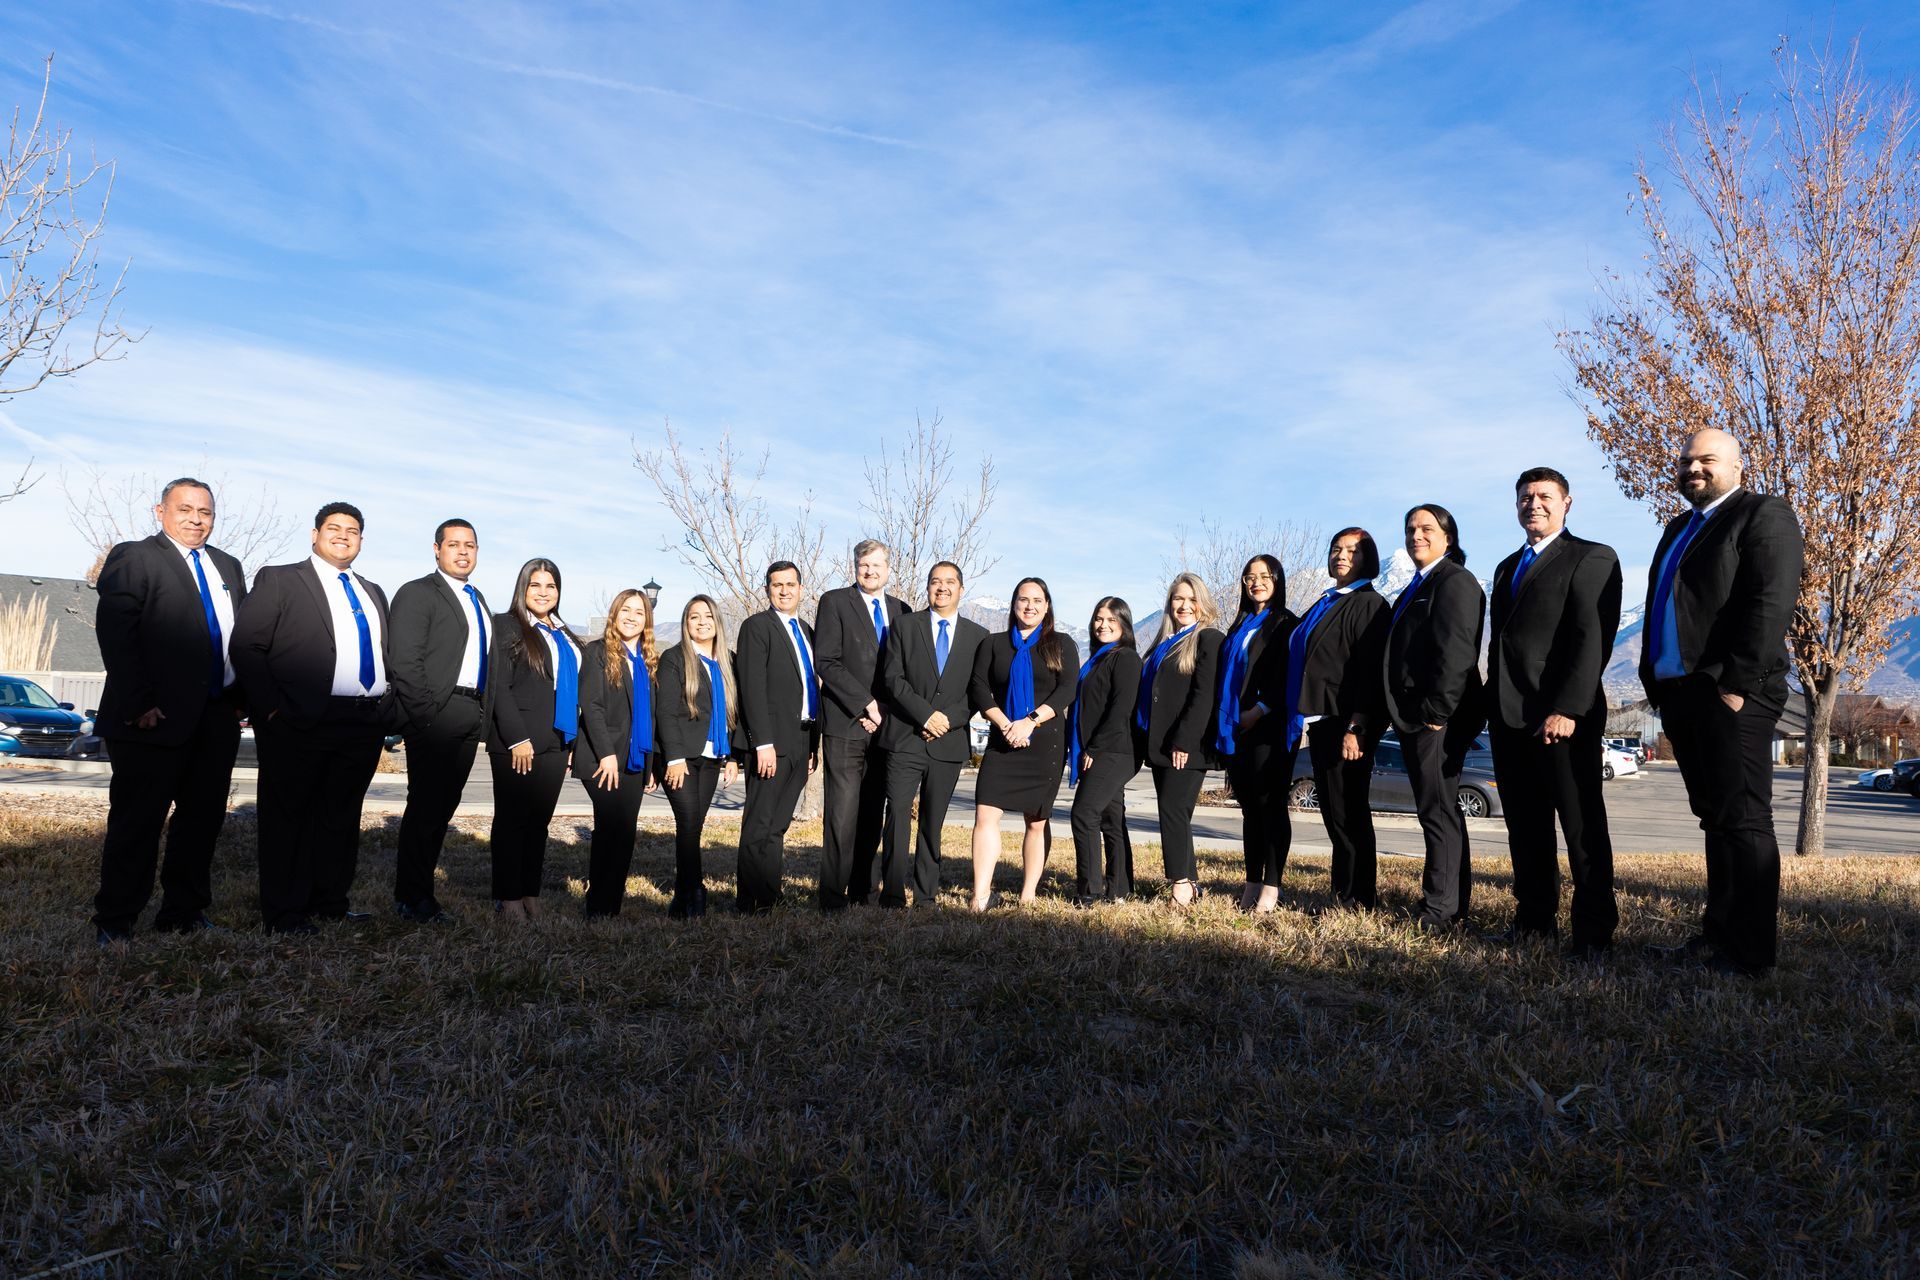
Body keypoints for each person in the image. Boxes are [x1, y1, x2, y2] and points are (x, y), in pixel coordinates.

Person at [1639, 428, 1804, 976]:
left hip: (1732, 694)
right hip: (1681, 695)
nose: (1694, 469)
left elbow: (1770, 603)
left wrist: (1736, 685)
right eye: (1686, 461)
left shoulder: (1764, 515)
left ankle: (1751, 954)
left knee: (1746, 820)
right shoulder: (1679, 527)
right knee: (1716, 819)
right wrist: (1657, 686)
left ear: (1737, 467)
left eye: (1708, 460)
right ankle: (1719, 936)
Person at [91, 477, 249, 943]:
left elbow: (236, 638)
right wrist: (138, 701)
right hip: (150, 718)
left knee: (201, 823)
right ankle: (116, 921)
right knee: (136, 824)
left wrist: (240, 699)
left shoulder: (229, 566)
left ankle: (184, 912)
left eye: (205, 512)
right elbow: (117, 634)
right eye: (184, 509)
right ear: (160, 511)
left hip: (216, 718)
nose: (195, 519)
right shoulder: (134, 556)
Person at [230, 502, 393, 934]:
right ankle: (285, 913)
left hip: (362, 721)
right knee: (289, 818)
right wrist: (271, 708)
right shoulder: (281, 579)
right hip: (298, 719)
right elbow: (248, 646)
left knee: (341, 816)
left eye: (353, 530)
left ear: (361, 539)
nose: (343, 535)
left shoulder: (373, 591)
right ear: (314, 533)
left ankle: (330, 903)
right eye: (334, 528)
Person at [1488, 468, 1623, 957]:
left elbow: (1592, 637)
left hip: (1564, 719)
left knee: (1581, 827)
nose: (1534, 503)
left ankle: (1593, 933)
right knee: (1525, 828)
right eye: (1525, 496)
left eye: (1545, 496)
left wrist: (1567, 707)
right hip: (1509, 719)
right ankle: (1533, 923)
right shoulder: (1506, 567)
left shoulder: (1592, 556)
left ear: (1568, 503)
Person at [1271, 528, 1390, 908]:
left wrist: (1358, 727)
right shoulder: (1326, 600)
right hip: (1320, 721)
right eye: (1336, 549)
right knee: (1334, 814)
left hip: (1346, 723)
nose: (1342, 556)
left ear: (1366, 558)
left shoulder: (1369, 604)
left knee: (1349, 813)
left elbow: (1371, 673)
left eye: (1352, 551)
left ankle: (1358, 899)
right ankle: (1342, 894)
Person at [1383, 504, 1486, 933]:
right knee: (1438, 810)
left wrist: (1436, 712)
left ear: (1449, 536)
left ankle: (1440, 911)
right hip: (1418, 717)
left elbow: (1457, 652)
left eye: (1427, 528)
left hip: (1438, 719)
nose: (1416, 535)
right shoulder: (1419, 583)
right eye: (1410, 528)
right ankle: (1451, 904)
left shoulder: (1454, 582)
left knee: (1438, 811)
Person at [387, 518, 492, 924]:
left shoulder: (478, 597)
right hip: (435, 713)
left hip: (469, 713)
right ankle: (412, 898)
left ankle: (419, 891)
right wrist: (426, 713)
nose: (463, 551)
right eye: (454, 544)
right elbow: (405, 661)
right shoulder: (418, 593)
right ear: (436, 549)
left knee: (442, 808)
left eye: (470, 545)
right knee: (426, 808)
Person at [877, 561, 988, 908]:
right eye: (935, 582)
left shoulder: (978, 636)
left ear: (961, 588)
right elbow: (892, 679)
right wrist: (925, 716)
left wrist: (947, 720)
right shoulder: (904, 626)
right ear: (927, 588)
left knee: (933, 820)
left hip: (949, 742)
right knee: (896, 815)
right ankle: (893, 894)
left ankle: (926, 895)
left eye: (949, 582)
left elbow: (977, 691)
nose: (942, 587)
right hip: (905, 737)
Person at [968, 577, 1079, 910]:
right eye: (1023, 599)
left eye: (1037, 600)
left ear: (1047, 607)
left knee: (1036, 820)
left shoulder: (1061, 643)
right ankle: (980, 896)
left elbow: (1067, 688)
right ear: (1013, 604)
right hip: (1002, 739)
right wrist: (1004, 723)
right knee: (985, 813)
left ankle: (1028, 895)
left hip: (1044, 742)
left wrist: (1028, 721)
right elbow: (979, 687)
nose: (1029, 606)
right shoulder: (993, 643)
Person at [812, 539, 909, 910]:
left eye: (877, 565)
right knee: (842, 813)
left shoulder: (902, 610)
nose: (870, 571)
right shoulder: (835, 602)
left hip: (888, 726)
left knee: (872, 810)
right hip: (847, 722)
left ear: (888, 568)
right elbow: (827, 661)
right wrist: (866, 705)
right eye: (863, 565)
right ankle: (833, 897)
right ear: (855, 567)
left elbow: (903, 670)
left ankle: (862, 890)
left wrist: (885, 711)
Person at [485, 558, 579, 922]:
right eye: (536, 585)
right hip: (519, 741)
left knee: (539, 822)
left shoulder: (562, 631)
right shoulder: (507, 625)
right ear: (523, 588)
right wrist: (516, 738)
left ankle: (530, 892)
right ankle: (507, 898)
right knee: (512, 821)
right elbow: (500, 686)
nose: (544, 592)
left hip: (556, 741)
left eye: (551, 586)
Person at [735, 561, 821, 914]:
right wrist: (762, 742)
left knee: (779, 824)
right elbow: (752, 688)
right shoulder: (756, 627)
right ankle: (750, 901)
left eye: (790, 584)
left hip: (802, 740)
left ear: (801, 589)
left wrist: (813, 745)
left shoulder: (806, 630)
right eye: (776, 585)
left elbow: (810, 689)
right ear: (767, 590)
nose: (784, 590)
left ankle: (768, 894)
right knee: (759, 823)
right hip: (771, 743)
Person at [1135, 573, 1223, 907]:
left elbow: (1203, 696)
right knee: (1175, 814)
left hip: (1186, 746)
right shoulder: (1164, 642)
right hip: (1160, 745)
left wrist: (1184, 740)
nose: (1184, 605)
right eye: (1177, 599)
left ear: (1203, 603)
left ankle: (1181, 886)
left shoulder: (1208, 639)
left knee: (1171, 811)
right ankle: (1191, 883)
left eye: (1191, 599)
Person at [1211, 556, 1294, 913]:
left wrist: (1259, 711)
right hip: (1237, 729)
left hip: (1268, 728)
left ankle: (1272, 888)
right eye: (1250, 577)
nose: (1256, 582)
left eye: (1264, 576)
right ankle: (1251, 883)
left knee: (1270, 807)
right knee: (1249, 810)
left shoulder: (1286, 623)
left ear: (1277, 580)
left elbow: (1287, 677)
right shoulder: (1240, 624)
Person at [655, 595, 741, 919]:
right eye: (694, 616)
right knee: (688, 824)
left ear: (717, 621)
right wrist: (674, 758)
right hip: (681, 758)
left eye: (707, 616)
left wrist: (731, 755)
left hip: (711, 757)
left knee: (694, 826)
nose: (702, 621)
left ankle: (681, 898)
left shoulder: (727, 661)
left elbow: (732, 713)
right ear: (685, 622)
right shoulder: (675, 658)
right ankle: (696, 893)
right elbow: (665, 712)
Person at [572, 588, 657, 918]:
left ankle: (613, 905)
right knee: (610, 827)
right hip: (602, 758)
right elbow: (590, 705)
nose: (632, 616)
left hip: (635, 760)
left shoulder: (647, 661)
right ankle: (597, 907)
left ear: (646, 620)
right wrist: (606, 753)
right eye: (626, 609)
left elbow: (649, 718)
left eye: (639, 611)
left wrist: (650, 763)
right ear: (614, 614)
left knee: (626, 832)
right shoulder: (598, 652)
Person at [1066, 597, 1142, 906]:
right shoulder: (1097, 659)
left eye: (1112, 619)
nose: (1103, 624)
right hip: (1103, 748)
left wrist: (1093, 748)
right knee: (1111, 818)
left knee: (1083, 814)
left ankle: (1089, 892)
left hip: (1115, 749)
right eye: (1099, 618)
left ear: (1124, 624)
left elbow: (1120, 709)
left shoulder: (1125, 658)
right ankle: (1120, 889)